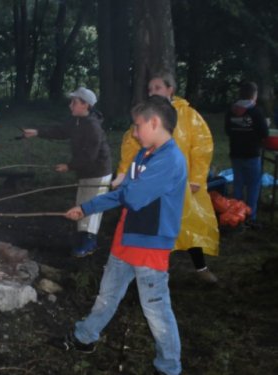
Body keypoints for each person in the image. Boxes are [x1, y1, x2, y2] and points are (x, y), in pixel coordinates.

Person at [53, 95, 185, 375]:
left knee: (156, 310)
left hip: (150, 245)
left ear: (154, 122)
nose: (135, 133)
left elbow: (133, 197)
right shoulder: (144, 154)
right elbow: (124, 194)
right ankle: (85, 338)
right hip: (126, 238)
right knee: (106, 295)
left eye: (138, 126)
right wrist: (85, 207)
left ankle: (169, 367)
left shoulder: (170, 160)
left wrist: (110, 194)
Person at [112, 72, 219, 284]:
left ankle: (201, 267)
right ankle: (146, 270)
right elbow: (131, 145)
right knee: (152, 225)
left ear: (170, 90)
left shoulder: (189, 116)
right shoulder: (146, 115)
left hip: (183, 184)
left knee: (189, 224)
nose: (152, 92)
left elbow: (201, 148)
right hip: (152, 183)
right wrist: (124, 174)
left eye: (157, 88)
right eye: (150, 89)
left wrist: (197, 178)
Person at [22, 87, 112, 257]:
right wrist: (37, 132)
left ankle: (89, 242)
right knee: (82, 202)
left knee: (91, 206)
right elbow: (61, 131)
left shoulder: (92, 126)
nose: (70, 105)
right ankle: (82, 236)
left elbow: (89, 156)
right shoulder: (77, 120)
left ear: (85, 105)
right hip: (85, 171)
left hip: (98, 171)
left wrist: (69, 166)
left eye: (74, 102)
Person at [225, 81, 269, 228]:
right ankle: (250, 215)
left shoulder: (231, 110)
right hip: (251, 154)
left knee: (238, 184)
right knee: (253, 185)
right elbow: (264, 133)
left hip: (236, 153)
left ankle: (235, 215)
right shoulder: (256, 112)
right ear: (253, 95)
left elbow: (228, 131)